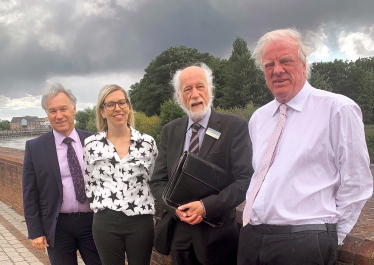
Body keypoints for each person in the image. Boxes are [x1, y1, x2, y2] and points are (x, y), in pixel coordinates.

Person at [238, 28, 373, 265]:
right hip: (252, 240)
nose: (277, 70)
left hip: (305, 243)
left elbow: (357, 183)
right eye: (269, 64)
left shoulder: (337, 109)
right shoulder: (259, 118)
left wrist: (329, 238)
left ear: (303, 64)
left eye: (286, 60)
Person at [150, 63, 253, 265]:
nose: (195, 94)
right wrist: (175, 208)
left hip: (219, 238)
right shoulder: (170, 131)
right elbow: (157, 182)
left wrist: (206, 207)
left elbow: (245, 180)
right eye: (187, 89)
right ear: (179, 97)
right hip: (180, 236)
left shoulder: (235, 127)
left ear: (210, 90)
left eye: (200, 86)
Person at [22, 83, 101, 265]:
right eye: (52, 111)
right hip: (57, 226)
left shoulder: (94, 141)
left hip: (93, 222)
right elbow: (29, 193)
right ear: (47, 114)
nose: (59, 116)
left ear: (73, 108)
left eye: (63, 109)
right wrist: (36, 231)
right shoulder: (35, 148)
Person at [83, 84, 158, 265]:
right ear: (102, 111)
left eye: (122, 102)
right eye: (110, 104)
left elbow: (154, 180)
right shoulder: (91, 145)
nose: (118, 108)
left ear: (129, 106)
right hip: (105, 222)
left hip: (140, 221)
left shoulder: (147, 143)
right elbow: (89, 182)